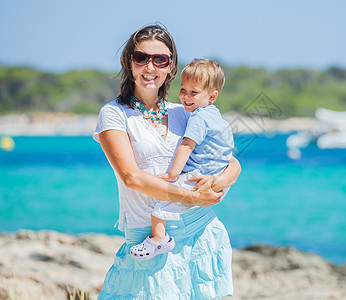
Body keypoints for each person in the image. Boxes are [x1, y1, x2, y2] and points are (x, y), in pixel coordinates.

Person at [93, 24, 241, 299]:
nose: (150, 67)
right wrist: (194, 196)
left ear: (170, 66)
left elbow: (231, 162)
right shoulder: (114, 114)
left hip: (201, 230)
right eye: (141, 58)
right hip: (149, 237)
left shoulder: (186, 112)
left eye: (159, 59)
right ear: (129, 62)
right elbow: (131, 177)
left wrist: (217, 185)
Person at [129, 58, 234, 260]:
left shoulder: (197, 118)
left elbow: (187, 146)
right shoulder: (216, 115)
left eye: (193, 92)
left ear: (212, 95)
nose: (186, 97)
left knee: (162, 194)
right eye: (183, 90)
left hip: (199, 176)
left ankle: (159, 238)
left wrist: (172, 174)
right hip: (217, 176)